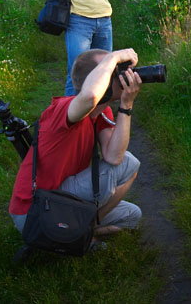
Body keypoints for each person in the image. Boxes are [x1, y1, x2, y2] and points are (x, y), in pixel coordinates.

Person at [9, 48, 143, 239]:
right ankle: (79, 233)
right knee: (130, 162)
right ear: (97, 80)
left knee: (132, 214)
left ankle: (85, 229)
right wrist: (113, 57)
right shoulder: (63, 108)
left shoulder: (103, 114)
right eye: (114, 70)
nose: (121, 75)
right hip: (34, 210)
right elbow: (89, 98)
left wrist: (126, 104)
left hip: (63, 201)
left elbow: (114, 156)